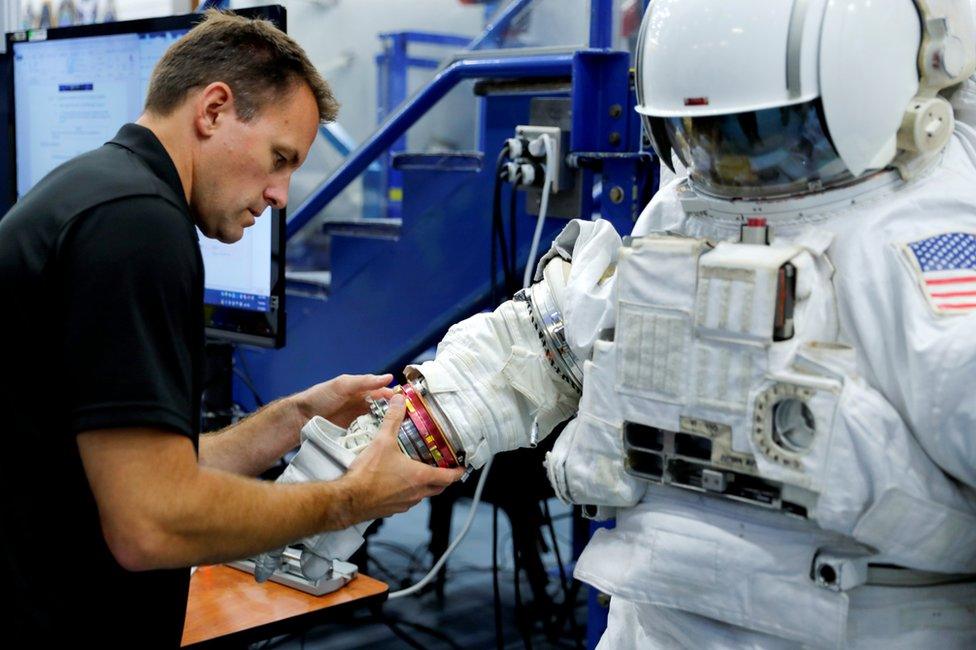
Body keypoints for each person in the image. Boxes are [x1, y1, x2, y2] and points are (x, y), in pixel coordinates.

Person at [265, 1, 976, 647]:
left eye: (759, 132)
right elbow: (517, 360)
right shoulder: (682, 214)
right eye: (701, 133)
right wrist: (313, 514)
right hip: (654, 620)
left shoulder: (924, 247)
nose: (729, 158)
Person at [0, 10, 462, 647]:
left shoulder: (96, 190)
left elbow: (140, 472)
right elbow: (151, 524)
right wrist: (354, 498)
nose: (281, 195)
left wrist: (296, 417)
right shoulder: (138, 225)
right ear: (214, 110)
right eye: (279, 158)